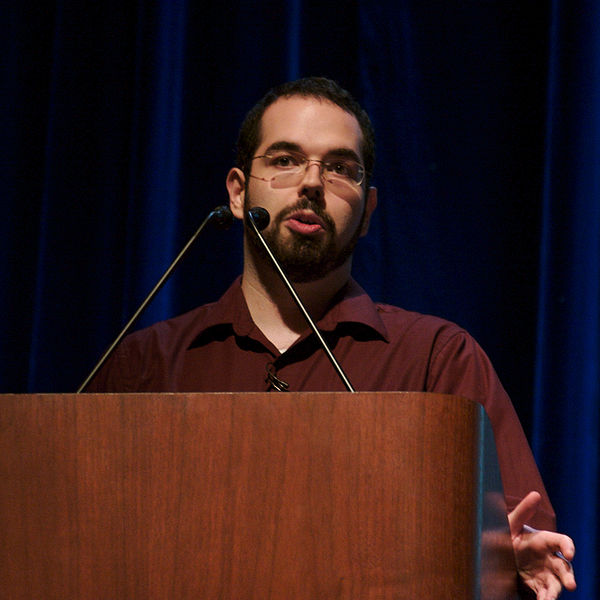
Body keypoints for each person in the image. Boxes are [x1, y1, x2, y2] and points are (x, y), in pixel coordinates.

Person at [88, 77, 576, 598]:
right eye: (284, 160)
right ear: (237, 192)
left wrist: (507, 566)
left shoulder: (437, 360)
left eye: (340, 168)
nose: (312, 183)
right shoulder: (148, 363)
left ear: (367, 212)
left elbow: (520, 538)